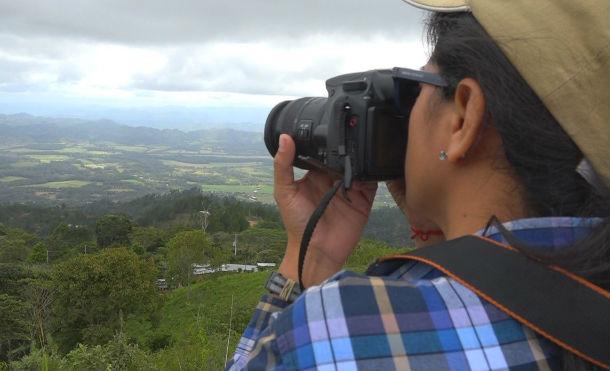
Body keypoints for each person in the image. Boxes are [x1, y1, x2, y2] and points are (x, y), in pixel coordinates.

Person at [227, 0, 609, 370]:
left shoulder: (338, 332)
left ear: (462, 117)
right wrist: (439, 239)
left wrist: (307, 258)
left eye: (416, 88)